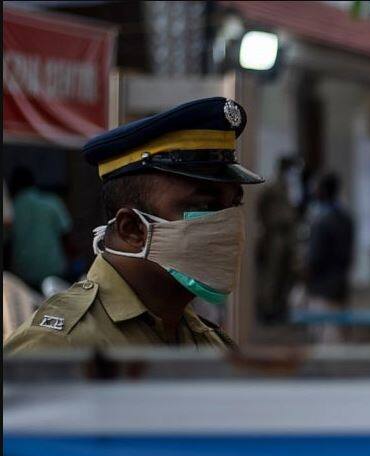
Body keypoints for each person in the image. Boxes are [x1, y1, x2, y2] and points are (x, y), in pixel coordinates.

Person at [4, 97, 264, 353]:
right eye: (206, 206)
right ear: (132, 229)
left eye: (234, 204)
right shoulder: (56, 348)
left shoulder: (209, 344)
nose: (227, 222)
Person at [304, 173, 354, 342]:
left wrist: (305, 276)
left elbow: (314, 258)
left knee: (326, 336)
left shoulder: (322, 221)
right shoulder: (346, 218)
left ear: (324, 190)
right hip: (340, 284)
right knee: (338, 332)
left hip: (322, 288)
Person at [7, 166, 73, 289]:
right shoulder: (52, 202)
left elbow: (7, 244)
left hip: (24, 275)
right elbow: (66, 235)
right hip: (54, 269)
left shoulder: (11, 209)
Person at [255, 155, 299, 324]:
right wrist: (265, 224)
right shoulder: (272, 187)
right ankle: (267, 308)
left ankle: (280, 307)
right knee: (272, 273)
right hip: (275, 234)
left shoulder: (290, 188)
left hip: (288, 234)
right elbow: (260, 205)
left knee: (286, 274)